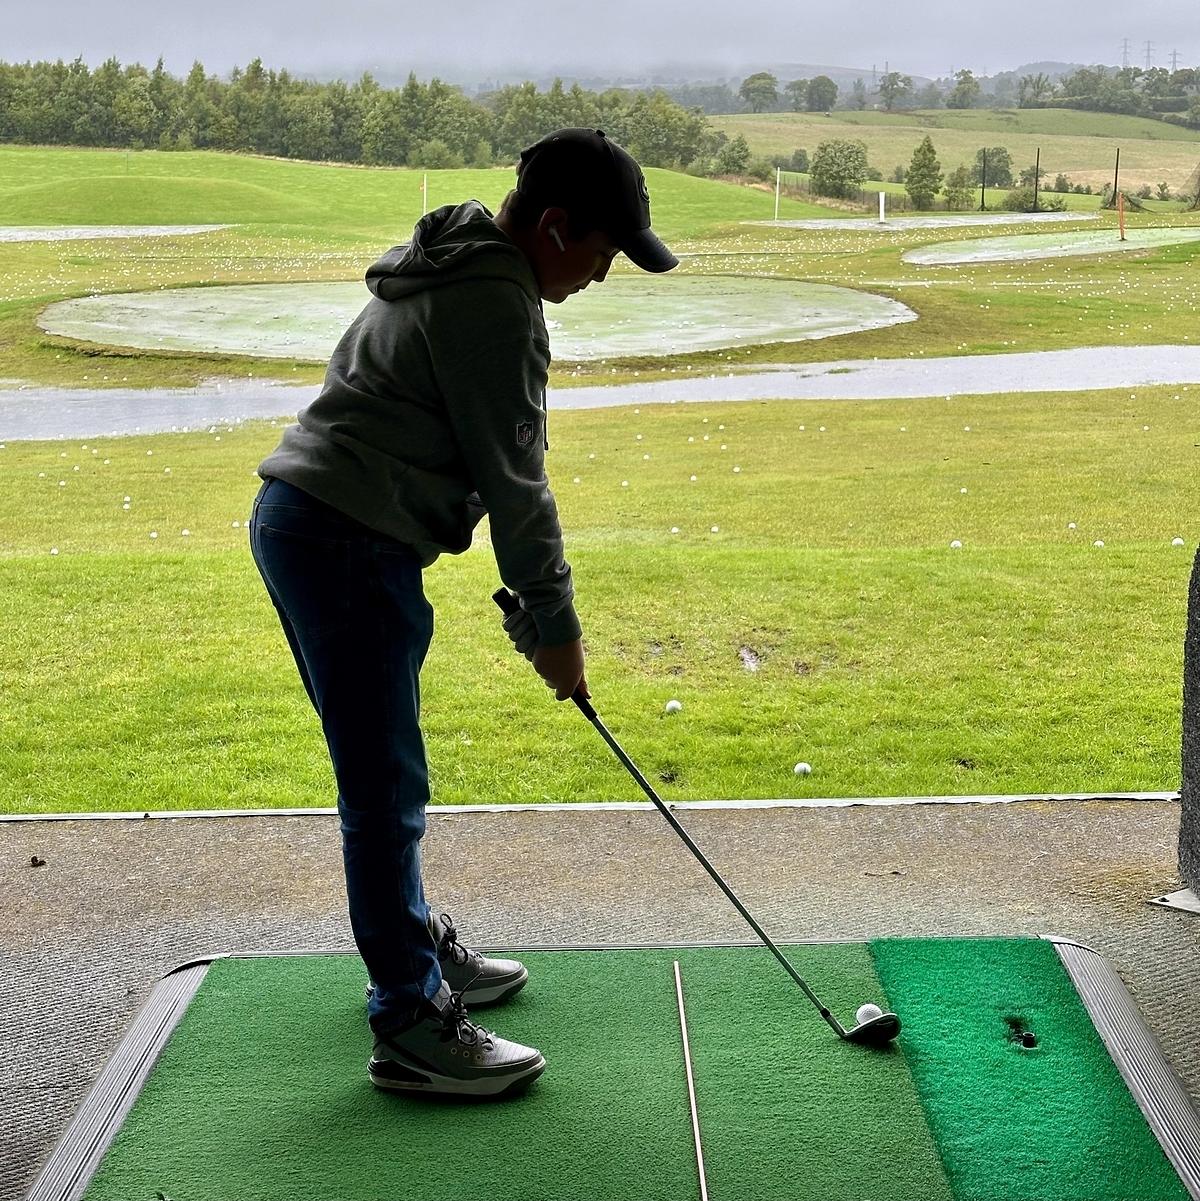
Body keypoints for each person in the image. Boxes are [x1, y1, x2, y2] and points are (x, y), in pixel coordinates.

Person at [248, 128, 677, 1099]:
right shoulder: (495, 301)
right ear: (557, 227)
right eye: (604, 253)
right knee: (384, 782)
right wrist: (558, 631)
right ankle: (408, 1013)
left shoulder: (457, 262)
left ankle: (414, 947)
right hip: (343, 538)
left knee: (382, 769)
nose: (605, 276)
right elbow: (517, 488)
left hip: (315, 524)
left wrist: (538, 619)